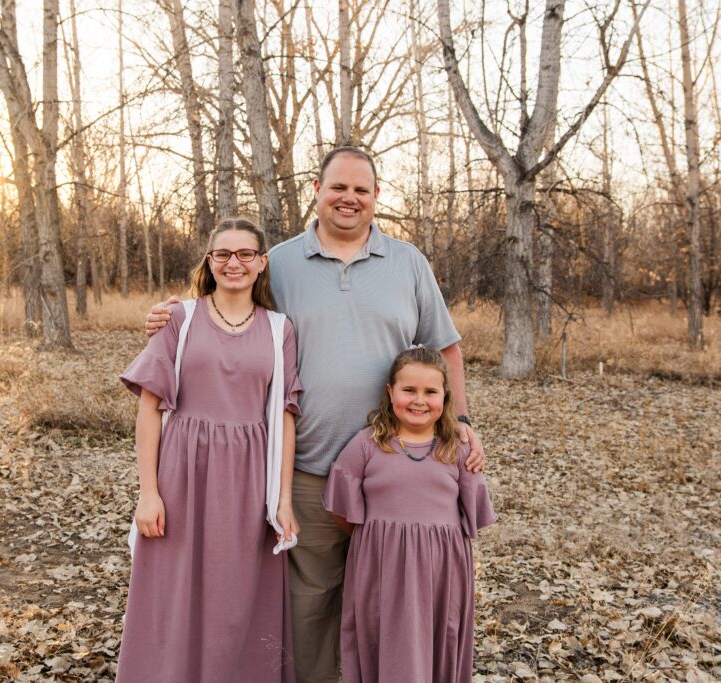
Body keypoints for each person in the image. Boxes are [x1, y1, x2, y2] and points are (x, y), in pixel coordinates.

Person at [145, 146, 485, 683]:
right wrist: (172, 314)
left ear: (375, 198)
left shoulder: (408, 263)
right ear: (317, 191)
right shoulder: (279, 261)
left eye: (361, 190)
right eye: (338, 188)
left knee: (394, 607)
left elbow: (445, 351)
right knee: (309, 609)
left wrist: (460, 425)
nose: (349, 199)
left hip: (399, 475)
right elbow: (226, 303)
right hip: (306, 470)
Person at [117, 218, 302, 683]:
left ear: (262, 263)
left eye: (245, 254)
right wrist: (148, 492)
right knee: (172, 591)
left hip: (249, 478)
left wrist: (282, 499)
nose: (233, 263)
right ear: (209, 261)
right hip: (182, 473)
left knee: (239, 595)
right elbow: (149, 409)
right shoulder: (179, 318)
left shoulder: (280, 330)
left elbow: (283, 414)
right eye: (222, 254)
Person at [322, 346, 496, 682]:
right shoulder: (367, 445)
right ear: (390, 392)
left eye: (430, 392)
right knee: (381, 638)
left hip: (441, 573)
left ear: (446, 398)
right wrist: (379, 540)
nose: (419, 400)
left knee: (436, 641)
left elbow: (473, 516)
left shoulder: (457, 450)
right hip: (380, 568)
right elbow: (342, 511)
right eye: (409, 390)